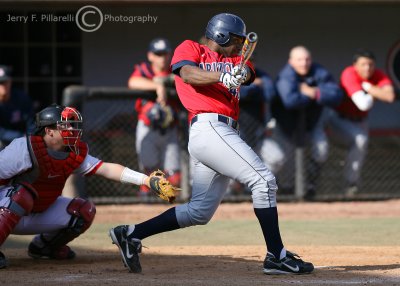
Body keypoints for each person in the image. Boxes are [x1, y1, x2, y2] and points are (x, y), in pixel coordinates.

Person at [110, 13, 314, 275]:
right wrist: (221, 76)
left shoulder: (237, 60)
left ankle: (131, 234)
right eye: (237, 40)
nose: (241, 46)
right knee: (263, 181)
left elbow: (248, 74)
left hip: (221, 133)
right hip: (209, 127)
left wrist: (240, 73)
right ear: (220, 35)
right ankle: (277, 255)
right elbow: (187, 73)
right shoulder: (191, 48)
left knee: (199, 212)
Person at [0, 104, 174, 269]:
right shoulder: (24, 148)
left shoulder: (73, 153)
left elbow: (106, 168)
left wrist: (145, 180)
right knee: (22, 195)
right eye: (65, 126)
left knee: (83, 210)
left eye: (71, 125)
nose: (71, 130)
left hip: (35, 211)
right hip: (8, 208)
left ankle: (43, 247)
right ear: (49, 131)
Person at [271, 46, 343, 200]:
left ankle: (310, 187)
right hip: (286, 126)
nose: (304, 63)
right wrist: (317, 96)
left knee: (321, 151)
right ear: (291, 61)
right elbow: (290, 101)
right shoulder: (286, 75)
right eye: (299, 60)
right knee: (282, 160)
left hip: (312, 123)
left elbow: (336, 95)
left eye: (307, 59)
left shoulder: (318, 71)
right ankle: (284, 191)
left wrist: (314, 92)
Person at [326, 49, 395, 196]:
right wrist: (376, 92)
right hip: (338, 119)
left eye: (370, 64)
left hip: (361, 121)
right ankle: (350, 184)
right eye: (363, 64)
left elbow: (389, 96)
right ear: (355, 65)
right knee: (360, 140)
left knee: (360, 144)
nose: (367, 68)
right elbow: (363, 104)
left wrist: (368, 87)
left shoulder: (377, 75)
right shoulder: (349, 73)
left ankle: (351, 186)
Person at [128, 38, 181, 196]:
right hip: (147, 127)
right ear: (150, 55)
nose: (162, 58)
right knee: (149, 175)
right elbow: (133, 82)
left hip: (170, 128)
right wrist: (157, 86)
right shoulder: (144, 70)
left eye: (165, 54)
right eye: (158, 54)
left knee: (174, 177)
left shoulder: (175, 71)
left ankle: (169, 208)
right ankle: (146, 208)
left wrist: (169, 82)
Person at [0, 65, 35, 150]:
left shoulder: (21, 98)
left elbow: (31, 123)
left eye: (5, 82)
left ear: (10, 81)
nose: (3, 85)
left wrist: (29, 138)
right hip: (4, 141)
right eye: (0, 83)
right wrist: (20, 137)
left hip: (22, 143)